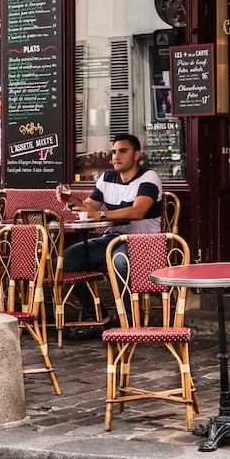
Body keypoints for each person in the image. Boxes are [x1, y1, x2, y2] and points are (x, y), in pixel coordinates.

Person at [58, 133, 163, 340]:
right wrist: (71, 199)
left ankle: (129, 323)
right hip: (112, 238)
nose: (116, 156)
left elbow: (137, 211)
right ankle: (97, 318)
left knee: (119, 262)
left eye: (123, 151)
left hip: (142, 241)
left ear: (137, 155)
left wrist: (101, 214)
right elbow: (89, 208)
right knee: (67, 259)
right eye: (114, 152)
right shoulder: (107, 178)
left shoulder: (149, 177)